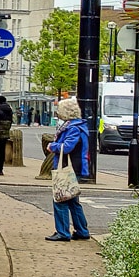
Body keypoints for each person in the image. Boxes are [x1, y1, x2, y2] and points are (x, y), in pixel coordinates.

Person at [46, 97, 93, 242]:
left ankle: (63, 232)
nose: (57, 114)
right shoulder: (77, 126)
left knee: (60, 199)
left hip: (69, 167)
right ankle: (82, 230)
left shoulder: (72, 128)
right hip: (76, 167)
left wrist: (52, 146)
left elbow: (67, 147)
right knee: (73, 200)